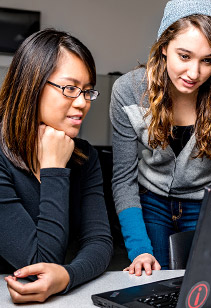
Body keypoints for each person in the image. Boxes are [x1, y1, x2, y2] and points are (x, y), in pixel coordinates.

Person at [110, 0, 211, 276]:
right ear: (164, 46)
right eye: (184, 56)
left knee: (207, 282)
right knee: (155, 280)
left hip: (209, 204)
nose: (194, 73)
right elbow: (123, 180)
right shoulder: (127, 90)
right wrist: (139, 248)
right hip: (151, 202)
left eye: (207, 61)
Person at [0, 28, 113, 303]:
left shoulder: (84, 156)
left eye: (87, 91)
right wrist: (54, 169)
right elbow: (39, 264)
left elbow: (99, 242)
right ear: (32, 85)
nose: (82, 103)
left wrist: (68, 276)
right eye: (70, 88)